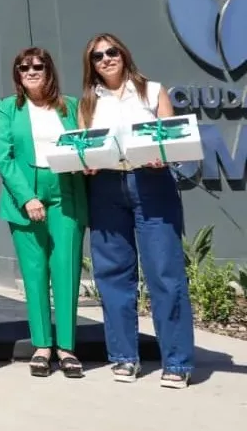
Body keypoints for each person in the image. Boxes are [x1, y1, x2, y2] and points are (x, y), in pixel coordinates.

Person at [79, 33, 195, 388]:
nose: (105, 59)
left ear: (124, 54)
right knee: (113, 275)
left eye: (111, 51)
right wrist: (86, 163)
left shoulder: (152, 91)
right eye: (97, 56)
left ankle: (176, 361)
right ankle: (124, 357)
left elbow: (170, 137)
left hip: (152, 183)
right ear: (91, 65)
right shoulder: (88, 102)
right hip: (106, 187)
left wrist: (164, 153)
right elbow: (84, 144)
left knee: (164, 272)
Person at [0, 47, 88, 378]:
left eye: (38, 66)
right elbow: (4, 157)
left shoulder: (71, 105)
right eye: (24, 67)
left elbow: (85, 144)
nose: (31, 71)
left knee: (66, 268)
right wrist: (27, 197)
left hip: (66, 192)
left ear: (49, 70)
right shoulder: (7, 108)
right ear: (17, 74)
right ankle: (42, 346)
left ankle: (67, 347)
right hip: (26, 195)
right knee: (34, 272)